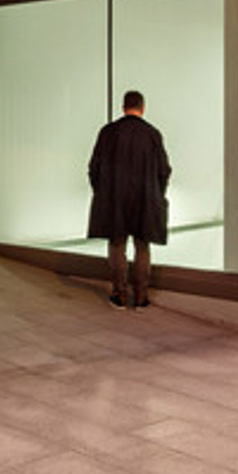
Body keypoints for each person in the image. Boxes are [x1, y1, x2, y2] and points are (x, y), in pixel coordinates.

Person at [87, 89, 171, 311]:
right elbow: (164, 170)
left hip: (115, 199)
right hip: (145, 199)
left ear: (123, 107)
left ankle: (120, 294)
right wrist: (157, 194)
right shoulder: (153, 134)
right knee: (142, 246)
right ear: (142, 108)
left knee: (117, 245)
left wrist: (102, 192)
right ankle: (141, 295)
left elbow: (93, 169)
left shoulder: (108, 132)